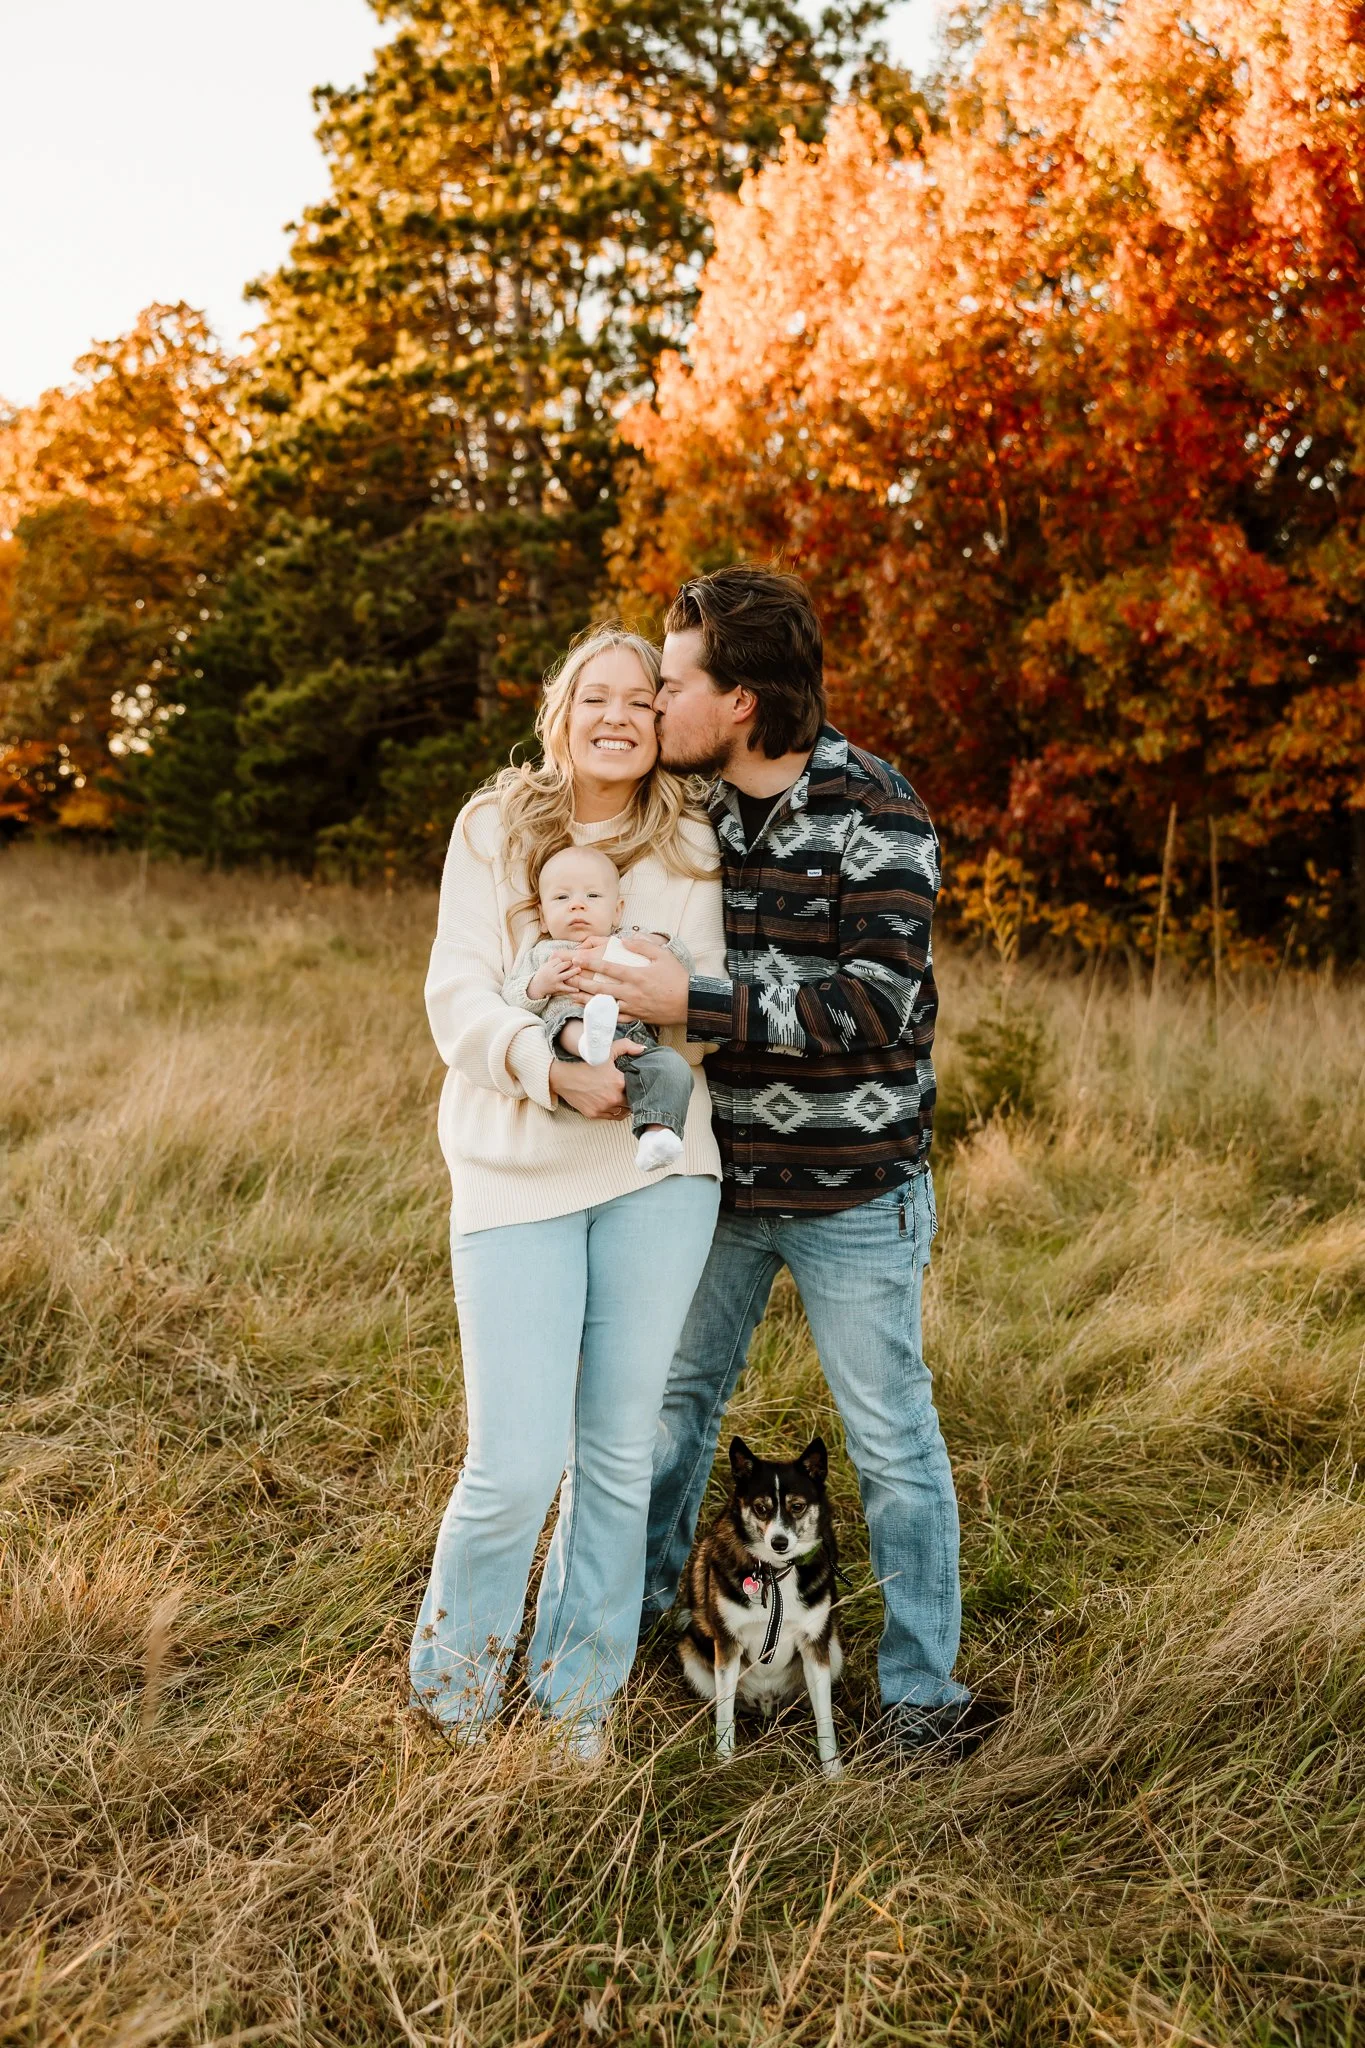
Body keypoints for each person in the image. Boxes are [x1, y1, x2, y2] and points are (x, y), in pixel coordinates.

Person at [576, 566, 997, 1760]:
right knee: (662, 1415)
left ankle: (919, 1699)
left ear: (742, 701)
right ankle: (641, 1639)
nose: (656, 704)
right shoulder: (681, 806)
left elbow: (875, 1000)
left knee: (892, 1443)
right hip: (707, 1184)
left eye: (674, 684)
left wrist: (697, 1000)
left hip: (854, 1192)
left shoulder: (881, 808)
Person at [409, 626, 725, 1759]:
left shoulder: (687, 839)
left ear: (658, 725)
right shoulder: (494, 825)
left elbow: (697, 988)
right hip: (513, 1167)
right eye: (597, 696)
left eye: (642, 701)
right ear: (562, 709)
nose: (618, 717)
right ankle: (452, 1697)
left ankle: (575, 1699)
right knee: (512, 1459)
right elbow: (457, 994)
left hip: (658, 1171)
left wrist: (641, 1019)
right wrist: (548, 1066)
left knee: (618, 1453)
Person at [502, 842, 696, 1173]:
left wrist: (660, 942)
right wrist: (540, 984)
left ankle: (657, 1134)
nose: (577, 905)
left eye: (592, 897)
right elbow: (511, 997)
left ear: (617, 911)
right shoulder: (542, 954)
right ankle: (590, 1042)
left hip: (635, 1042)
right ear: (543, 917)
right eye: (562, 898)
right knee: (570, 1019)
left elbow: (681, 969)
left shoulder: (626, 944)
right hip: (571, 1042)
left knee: (673, 1067)